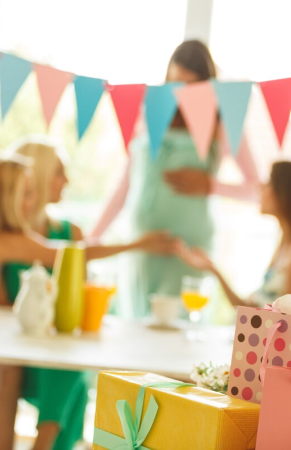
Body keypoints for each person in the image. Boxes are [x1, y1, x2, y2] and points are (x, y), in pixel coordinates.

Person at [0, 157, 177, 450]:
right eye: (25, 194)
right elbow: (70, 253)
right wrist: (135, 244)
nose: (32, 201)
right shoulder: (7, 240)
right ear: (5, 200)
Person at [90, 39, 260, 318]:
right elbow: (125, 186)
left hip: (189, 253)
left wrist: (211, 186)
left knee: (178, 333)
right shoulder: (150, 114)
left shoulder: (224, 122)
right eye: (175, 83)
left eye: (192, 86)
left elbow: (257, 190)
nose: (181, 93)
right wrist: (91, 240)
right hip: (142, 246)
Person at [179, 161, 291, 307]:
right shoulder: (286, 246)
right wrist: (213, 269)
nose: (261, 187)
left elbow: (288, 321)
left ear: (289, 194)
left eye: (270, 182)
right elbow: (249, 308)